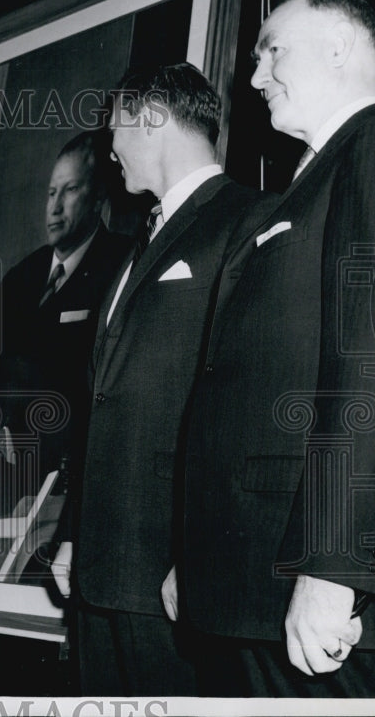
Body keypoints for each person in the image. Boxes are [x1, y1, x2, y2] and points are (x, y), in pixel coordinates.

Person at [170, 0, 375, 696]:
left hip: (303, 581)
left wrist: (333, 568)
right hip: (245, 579)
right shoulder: (301, 185)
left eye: (272, 49)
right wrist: (198, 556)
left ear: (338, 45)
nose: (255, 74)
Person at [50, 64, 273, 695]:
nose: (110, 147)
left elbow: (243, 408)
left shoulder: (249, 220)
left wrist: (201, 556)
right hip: (102, 568)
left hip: (174, 577)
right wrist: (75, 534)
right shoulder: (134, 245)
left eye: (115, 126)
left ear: (150, 118)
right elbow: (103, 404)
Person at [0, 131, 133, 484]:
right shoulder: (25, 275)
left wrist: (6, 435)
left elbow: (104, 394)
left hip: (66, 473)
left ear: (99, 196)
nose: (54, 207)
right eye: (51, 192)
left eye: (70, 190)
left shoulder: (123, 264)